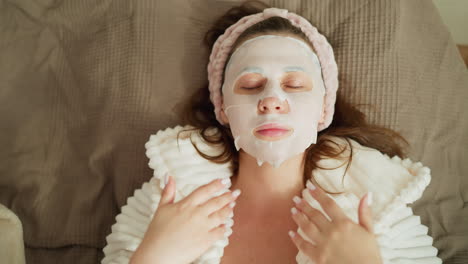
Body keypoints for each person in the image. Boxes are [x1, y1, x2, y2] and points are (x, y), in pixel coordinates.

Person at [101, 1, 442, 264]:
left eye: (294, 84)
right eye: (251, 85)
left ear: (324, 108)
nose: (272, 101)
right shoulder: (166, 203)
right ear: (223, 109)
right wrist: (152, 257)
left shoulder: (380, 211)